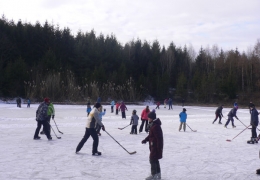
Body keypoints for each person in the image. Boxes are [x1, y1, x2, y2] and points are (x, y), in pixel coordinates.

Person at [141, 111, 163, 180]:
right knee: (155, 160)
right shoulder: (153, 125)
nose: (148, 119)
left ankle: (154, 175)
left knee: (152, 159)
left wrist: (159, 148)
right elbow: (151, 135)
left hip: (155, 146)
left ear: (152, 118)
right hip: (153, 145)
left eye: (149, 117)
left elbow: (159, 138)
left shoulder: (155, 126)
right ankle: (157, 175)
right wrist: (145, 140)